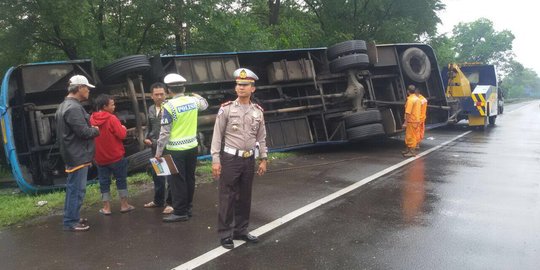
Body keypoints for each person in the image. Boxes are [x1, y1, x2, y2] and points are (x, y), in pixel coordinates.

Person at [210, 68, 268, 249]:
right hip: (230, 159)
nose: (241, 87)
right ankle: (225, 234)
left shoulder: (258, 111)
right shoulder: (226, 109)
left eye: (245, 85)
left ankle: (241, 231)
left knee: (245, 196)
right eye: (239, 84)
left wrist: (264, 158)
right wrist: (215, 159)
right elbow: (217, 136)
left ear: (253, 89)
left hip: (248, 159)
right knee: (227, 196)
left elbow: (261, 137)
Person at [155, 73, 208, 222]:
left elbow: (164, 132)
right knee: (190, 179)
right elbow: (205, 104)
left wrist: (158, 152)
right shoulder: (193, 101)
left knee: (177, 181)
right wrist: (196, 95)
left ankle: (180, 212)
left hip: (175, 150)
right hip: (192, 147)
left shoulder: (169, 106)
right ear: (183, 87)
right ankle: (188, 208)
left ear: (169, 90)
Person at [56, 75, 100, 231]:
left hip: (72, 153)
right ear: (80, 88)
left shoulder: (64, 105)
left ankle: (72, 217)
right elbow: (84, 133)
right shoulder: (74, 108)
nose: (88, 90)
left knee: (72, 188)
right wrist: (95, 130)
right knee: (77, 189)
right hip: (77, 155)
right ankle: (71, 222)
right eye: (87, 87)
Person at [90, 94, 134, 215]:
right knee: (121, 180)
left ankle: (106, 208)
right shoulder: (111, 118)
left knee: (104, 182)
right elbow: (122, 135)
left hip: (100, 158)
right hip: (116, 157)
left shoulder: (91, 119)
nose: (114, 106)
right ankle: (124, 205)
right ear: (105, 106)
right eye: (112, 104)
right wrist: (123, 128)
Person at [143, 83, 173, 214]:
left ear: (166, 94)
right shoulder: (150, 109)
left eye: (162, 94)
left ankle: (171, 203)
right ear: (152, 96)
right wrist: (146, 137)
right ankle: (158, 200)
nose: (159, 97)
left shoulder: (170, 107)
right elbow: (148, 126)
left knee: (171, 175)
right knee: (158, 175)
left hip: (169, 146)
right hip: (154, 146)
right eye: (157, 94)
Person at [402, 85, 422, 157]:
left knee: (410, 136)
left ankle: (411, 151)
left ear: (408, 91)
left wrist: (405, 123)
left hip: (411, 120)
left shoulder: (410, 100)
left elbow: (408, 112)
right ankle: (409, 149)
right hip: (416, 120)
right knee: (412, 135)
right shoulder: (417, 99)